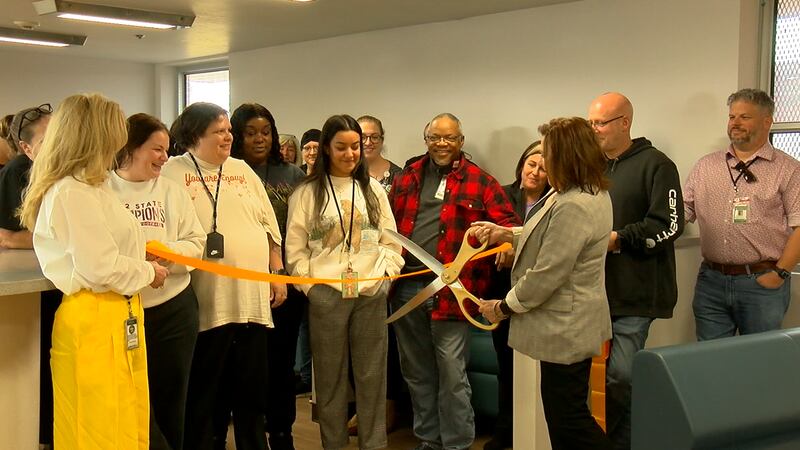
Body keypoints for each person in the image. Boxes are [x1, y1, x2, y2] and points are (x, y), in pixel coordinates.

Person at [19, 93, 169, 450]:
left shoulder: (91, 187)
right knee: (98, 430)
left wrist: (137, 256)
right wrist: (147, 272)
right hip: (93, 320)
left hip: (117, 315)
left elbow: (105, 251)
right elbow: (99, 266)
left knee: (124, 423)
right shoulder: (72, 192)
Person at [475, 116, 613, 450]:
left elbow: (548, 271)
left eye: (548, 153)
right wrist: (508, 232)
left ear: (565, 156)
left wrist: (504, 306)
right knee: (566, 417)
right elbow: (548, 234)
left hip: (565, 328)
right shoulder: (578, 193)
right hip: (567, 325)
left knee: (569, 422)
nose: (543, 161)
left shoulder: (574, 205)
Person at [388, 113, 519, 450]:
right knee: (416, 373)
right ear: (426, 139)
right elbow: (387, 226)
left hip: (453, 291)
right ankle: (428, 442)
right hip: (405, 288)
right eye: (435, 137)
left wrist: (503, 245)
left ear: (461, 141)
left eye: (449, 138)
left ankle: (457, 444)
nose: (442, 144)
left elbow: (511, 227)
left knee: (452, 375)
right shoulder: (408, 178)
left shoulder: (482, 182)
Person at [161, 102, 285, 450]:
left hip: (250, 299)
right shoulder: (172, 173)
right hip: (204, 303)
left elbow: (269, 227)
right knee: (204, 392)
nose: (228, 136)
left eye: (229, 130)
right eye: (219, 131)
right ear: (194, 135)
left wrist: (276, 272)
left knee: (252, 390)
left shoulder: (242, 170)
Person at [285, 114, 403, 450]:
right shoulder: (308, 193)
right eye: (342, 147)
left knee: (371, 378)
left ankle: (373, 444)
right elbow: (294, 250)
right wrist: (312, 288)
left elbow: (391, 241)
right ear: (325, 148)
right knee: (331, 379)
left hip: (369, 292)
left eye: (356, 146)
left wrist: (384, 277)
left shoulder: (373, 190)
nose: (351, 154)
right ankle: (333, 444)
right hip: (326, 296)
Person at [587, 92, 684, 449]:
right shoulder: (590, 167)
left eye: (600, 123)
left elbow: (670, 224)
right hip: (593, 292)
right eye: (591, 123)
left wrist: (619, 240)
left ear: (624, 123)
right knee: (583, 379)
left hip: (636, 292)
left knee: (622, 377)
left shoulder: (657, 165)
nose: (594, 130)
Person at [108, 113, 206, 450]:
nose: (165, 158)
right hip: (122, 312)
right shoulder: (102, 191)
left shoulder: (172, 191)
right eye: (157, 150)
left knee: (171, 397)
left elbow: (197, 244)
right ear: (131, 148)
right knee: (130, 399)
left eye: (167, 150)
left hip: (174, 309)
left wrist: (164, 253)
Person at [684, 88, 800, 341]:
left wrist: (780, 274)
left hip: (761, 282)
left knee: (759, 361)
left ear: (767, 121)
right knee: (710, 359)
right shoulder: (706, 166)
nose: (735, 123)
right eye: (732, 116)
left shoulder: (788, 169)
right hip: (711, 282)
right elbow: (682, 211)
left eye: (744, 117)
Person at [230, 103, 306, 450]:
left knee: (281, 363)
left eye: (266, 132)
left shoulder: (292, 175)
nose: (259, 139)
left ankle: (282, 431)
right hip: (241, 283)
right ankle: (249, 431)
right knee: (247, 366)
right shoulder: (228, 173)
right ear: (237, 136)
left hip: (285, 284)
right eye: (250, 133)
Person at [483, 140, 550, 450]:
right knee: (505, 366)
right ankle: (505, 430)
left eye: (543, 168)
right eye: (531, 164)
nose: (535, 172)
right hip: (500, 294)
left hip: (538, 299)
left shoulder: (554, 202)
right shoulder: (502, 196)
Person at [0, 104, 52, 249]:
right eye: (46, 141)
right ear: (27, 148)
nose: (58, 145)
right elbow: (6, 236)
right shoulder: (18, 171)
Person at [357, 115, 402, 193]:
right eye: (362, 137)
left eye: (374, 137)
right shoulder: (345, 173)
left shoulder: (398, 176)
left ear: (382, 140)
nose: (368, 143)